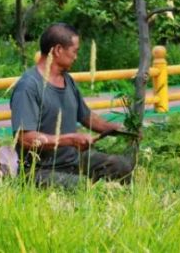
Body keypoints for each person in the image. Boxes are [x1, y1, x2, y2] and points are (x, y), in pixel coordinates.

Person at [10, 23, 135, 189]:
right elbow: (25, 138)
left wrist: (120, 129)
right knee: (83, 187)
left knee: (121, 166)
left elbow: (87, 117)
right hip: (40, 170)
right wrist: (68, 140)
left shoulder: (68, 80)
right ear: (58, 50)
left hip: (74, 162)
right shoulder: (28, 86)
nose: (76, 57)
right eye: (74, 51)